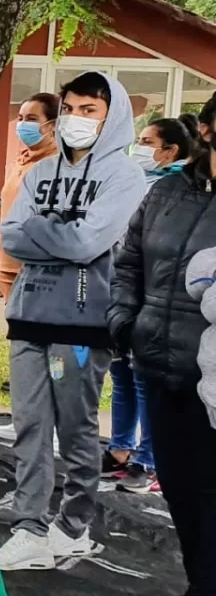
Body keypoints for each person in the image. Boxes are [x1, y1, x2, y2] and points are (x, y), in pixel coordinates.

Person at [0, 71, 142, 571]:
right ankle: (29, 528)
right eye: (71, 109)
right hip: (29, 315)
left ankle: (74, 525)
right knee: (29, 426)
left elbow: (88, 243)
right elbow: (10, 237)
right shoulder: (40, 172)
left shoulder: (124, 177)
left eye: (89, 111)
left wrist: (42, 231)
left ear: (111, 117)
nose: (76, 119)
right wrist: (58, 235)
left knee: (77, 428)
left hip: (83, 324)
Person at [109, 95, 216, 596]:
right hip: (160, 364)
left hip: (213, 379)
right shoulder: (167, 192)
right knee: (182, 488)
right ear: (208, 131)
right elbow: (129, 263)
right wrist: (125, 322)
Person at [103, 117, 196, 493]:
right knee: (121, 377)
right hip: (123, 292)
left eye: (147, 142)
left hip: (155, 299)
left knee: (143, 381)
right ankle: (120, 449)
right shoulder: (136, 183)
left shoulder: (179, 190)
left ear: (171, 151)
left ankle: (148, 459)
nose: (138, 149)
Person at [0, 93, 61, 298]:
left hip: (35, 268)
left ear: (52, 125)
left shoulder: (56, 165)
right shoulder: (21, 161)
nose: (23, 124)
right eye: (21, 118)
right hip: (8, 265)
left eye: (32, 119)